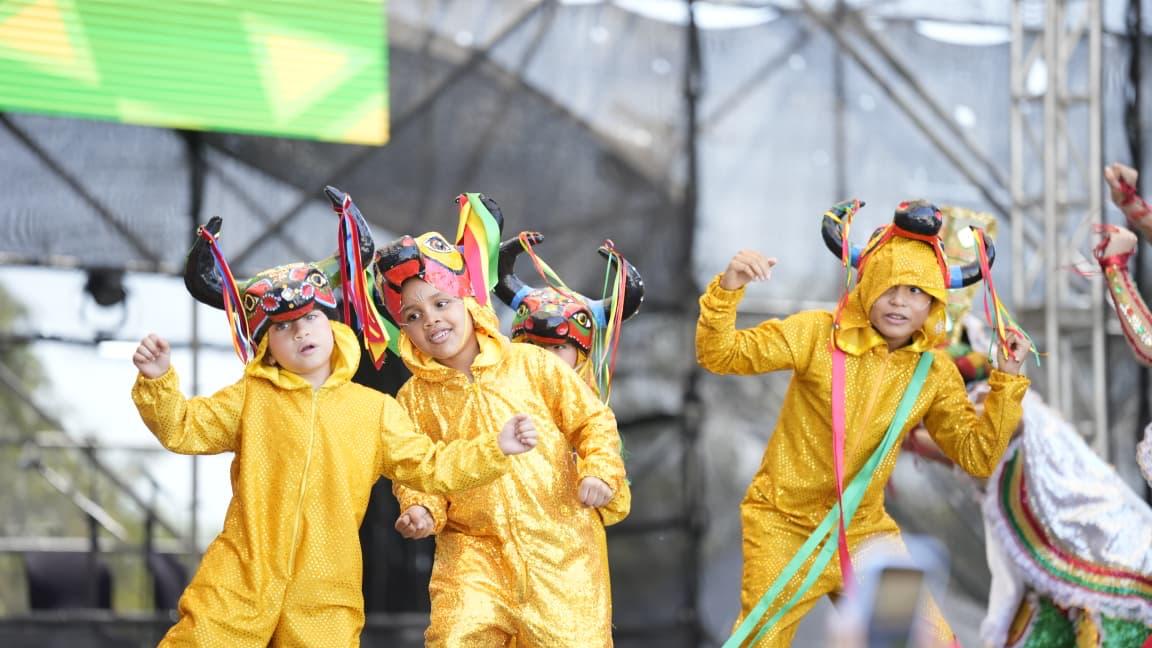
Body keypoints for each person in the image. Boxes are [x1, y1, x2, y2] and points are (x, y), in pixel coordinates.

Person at [131, 194, 537, 647]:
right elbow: (183, 427)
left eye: (309, 318)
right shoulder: (251, 398)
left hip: (326, 587)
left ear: (332, 323)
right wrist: (158, 381)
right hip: (240, 574)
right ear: (265, 346)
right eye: (282, 326)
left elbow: (431, 466)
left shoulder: (373, 410)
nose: (300, 331)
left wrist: (494, 447)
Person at [696, 198, 1030, 646]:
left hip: (865, 534)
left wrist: (1008, 381)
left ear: (933, 301)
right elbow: (721, 354)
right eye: (889, 284)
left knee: (926, 641)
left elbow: (980, 456)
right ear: (867, 284)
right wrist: (729, 288)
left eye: (916, 291)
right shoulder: (815, 334)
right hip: (784, 524)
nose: (899, 301)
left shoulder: (933, 372)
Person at [377, 193, 628, 646]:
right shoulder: (410, 399)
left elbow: (593, 422)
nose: (431, 320)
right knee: (455, 637)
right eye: (413, 316)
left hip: (561, 547)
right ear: (404, 331)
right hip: (470, 553)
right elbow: (413, 467)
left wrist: (599, 472)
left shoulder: (532, 364)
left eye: (441, 303)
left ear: (469, 302)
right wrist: (420, 509)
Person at [493, 231, 645, 525]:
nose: (544, 357)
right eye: (533, 345)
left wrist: (600, 480)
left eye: (558, 348)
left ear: (582, 354)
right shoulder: (489, 394)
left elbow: (617, 505)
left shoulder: (594, 420)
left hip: (568, 551)